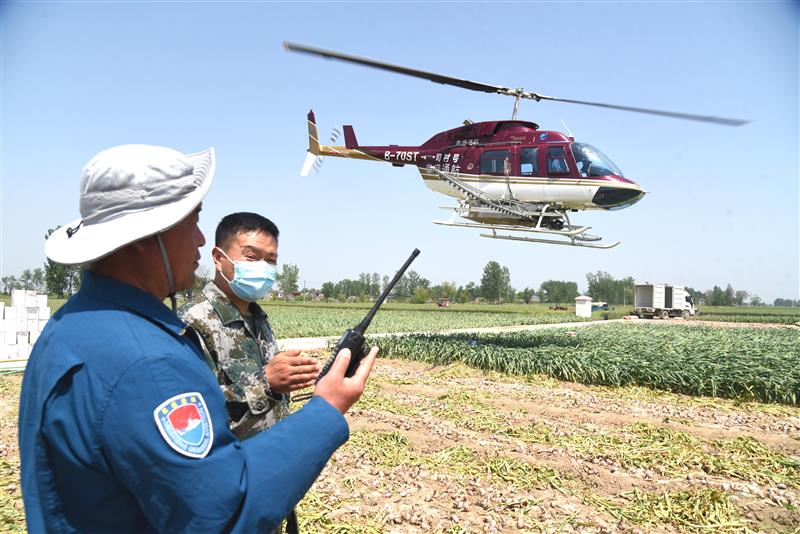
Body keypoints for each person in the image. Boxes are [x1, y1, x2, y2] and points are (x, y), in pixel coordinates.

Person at [18, 144, 378, 533]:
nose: (202, 240)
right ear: (147, 234)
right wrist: (326, 409)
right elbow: (220, 514)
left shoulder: (70, 325)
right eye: (193, 221)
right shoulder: (149, 361)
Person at [178, 212, 319, 440]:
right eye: (252, 257)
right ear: (218, 257)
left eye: (271, 260)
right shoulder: (193, 321)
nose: (263, 267)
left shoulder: (258, 317)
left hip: (270, 456)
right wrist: (267, 383)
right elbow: (189, 418)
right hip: (229, 466)